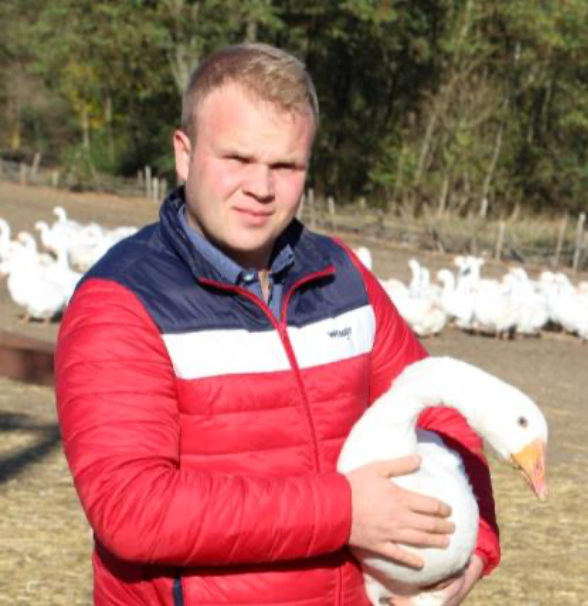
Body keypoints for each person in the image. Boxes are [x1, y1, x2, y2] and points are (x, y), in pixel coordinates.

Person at [55, 43, 499, 606]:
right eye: (237, 159)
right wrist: (345, 511)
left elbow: (442, 406)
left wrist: (473, 545)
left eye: (285, 166)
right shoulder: (123, 301)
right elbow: (134, 508)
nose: (261, 189)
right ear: (184, 154)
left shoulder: (342, 278)